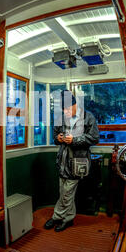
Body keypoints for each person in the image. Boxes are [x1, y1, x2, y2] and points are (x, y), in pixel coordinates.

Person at [44, 90, 99, 232]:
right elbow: (55, 137)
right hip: (62, 161)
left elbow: (94, 138)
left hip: (77, 163)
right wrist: (59, 138)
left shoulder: (88, 117)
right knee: (64, 191)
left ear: (76, 104)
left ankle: (57, 217)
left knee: (66, 193)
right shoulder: (60, 118)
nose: (66, 112)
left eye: (68, 108)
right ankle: (69, 218)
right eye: (63, 109)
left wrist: (75, 140)